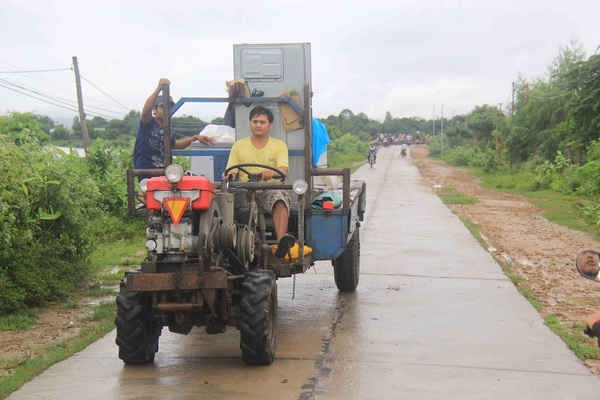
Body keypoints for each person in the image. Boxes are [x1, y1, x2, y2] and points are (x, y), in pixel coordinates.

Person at [224, 105, 295, 258]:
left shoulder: (279, 145)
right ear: (250, 124)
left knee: (280, 201)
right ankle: (236, 243)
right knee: (231, 201)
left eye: (262, 122)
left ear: (269, 125)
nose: (258, 125)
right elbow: (231, 170)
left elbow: (283, 170)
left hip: (269, 188)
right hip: (245, 189)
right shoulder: (239, 146)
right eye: (255, 121)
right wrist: (228, 175)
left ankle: (281, 241)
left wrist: (269, 174)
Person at [134, 78, 214, 173]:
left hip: (165, 172)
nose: (167, 110)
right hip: (147, 171)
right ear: (154, 110)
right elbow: (145, 112)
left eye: (170, 107)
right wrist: (158, 88)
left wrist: (194, 138)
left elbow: (174, 146)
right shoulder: (148, 123)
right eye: (163, 106)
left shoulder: (167, 128)